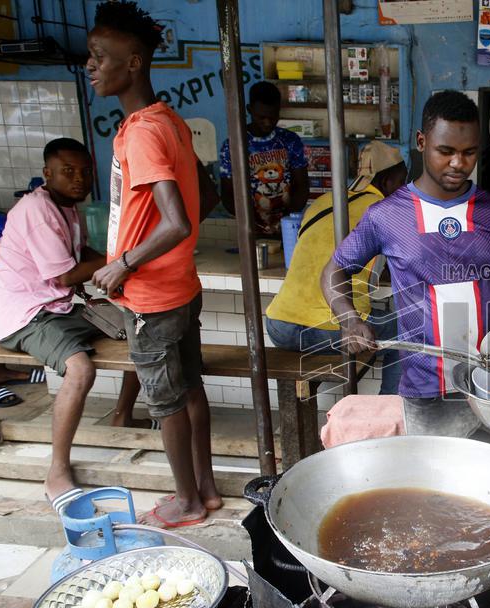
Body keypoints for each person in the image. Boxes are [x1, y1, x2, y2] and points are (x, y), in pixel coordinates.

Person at [322, 90, 490, 438]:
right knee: (433, 469)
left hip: (487, 385)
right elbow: (334, 270)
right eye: (445, 151)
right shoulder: (386, 216)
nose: (458, 163)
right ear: (422, 142)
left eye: (469, 153)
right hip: (424, 389)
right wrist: (349, 319)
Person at [87, 1, 221, 527]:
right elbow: (206, 197)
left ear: (134, 62)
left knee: (165, 403)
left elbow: (177, 222)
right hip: (180, 286)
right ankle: (205, 488)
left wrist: (124, 262)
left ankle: (187, 502)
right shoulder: (171, 122)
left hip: (151, 298)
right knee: (190, 389)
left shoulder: (142, 131)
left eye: (100, 56)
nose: (91, 66)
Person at [0, 138, 154, 512]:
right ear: (47, 174)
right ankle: (57, 471)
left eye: (84, 172)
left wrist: (120, 262)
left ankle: (123, 417)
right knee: (81, 370)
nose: (79, 179)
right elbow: (65, 275)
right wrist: (122, 262)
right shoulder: (37, 211)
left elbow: (83, 256)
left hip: (58, 308)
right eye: (68, 171)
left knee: (141, 328)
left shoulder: (66, 209)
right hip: (26, 315)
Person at [265, 141, 407, 394]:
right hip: (323, 330)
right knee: (407, 330)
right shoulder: (384, 210)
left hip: (278, 325)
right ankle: (389, 407)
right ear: (386, 181)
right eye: (401, 181)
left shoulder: (323, 201)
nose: (404, 188)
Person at [219, 81, 309, 238]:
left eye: (273, 117)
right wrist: (250, 222)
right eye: (261, 117)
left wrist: (286, 220)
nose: (267, 122)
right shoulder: (233, 145)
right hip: (251, 230)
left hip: (288, 227)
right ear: (249, 110)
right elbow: (227, 194)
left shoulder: (290, 140)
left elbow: (302, 185)